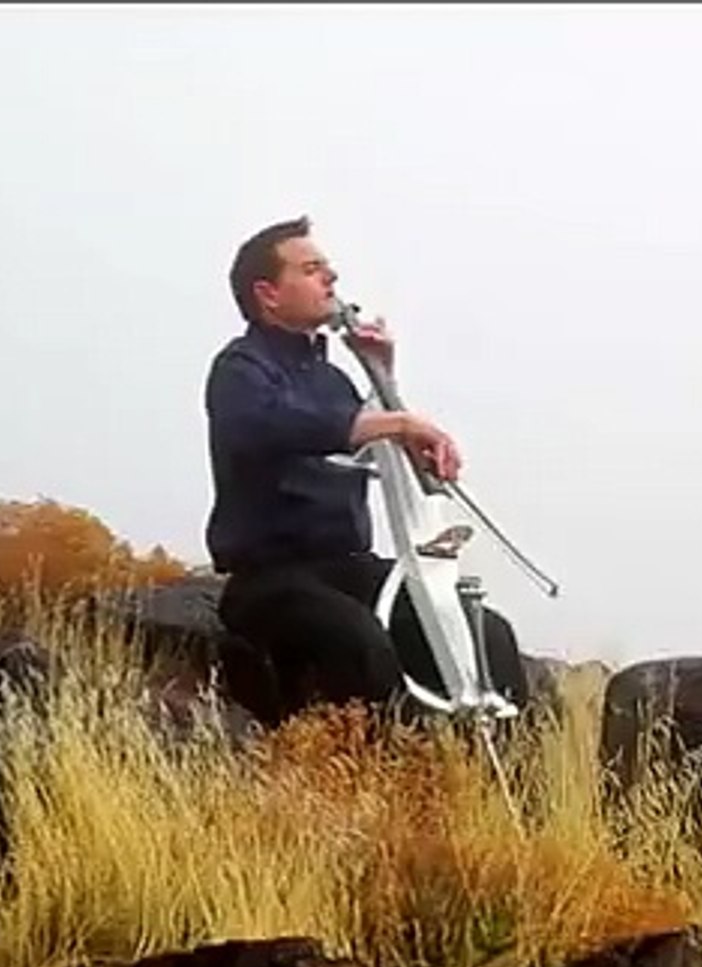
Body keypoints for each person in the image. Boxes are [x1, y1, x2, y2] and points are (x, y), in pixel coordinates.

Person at [202, 215, 529, 725]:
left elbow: (378, 445)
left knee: (486, 633)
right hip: (270, 578)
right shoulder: (240, 369)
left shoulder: (334, 381)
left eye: (328, 268)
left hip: (349, 566)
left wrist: (382, 373)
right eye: (311, 269)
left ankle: (503, 768)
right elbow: (273, 424)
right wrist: (399, 422)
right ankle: (387, 769)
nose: (330, 278)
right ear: (268, 293)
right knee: (358, 641)